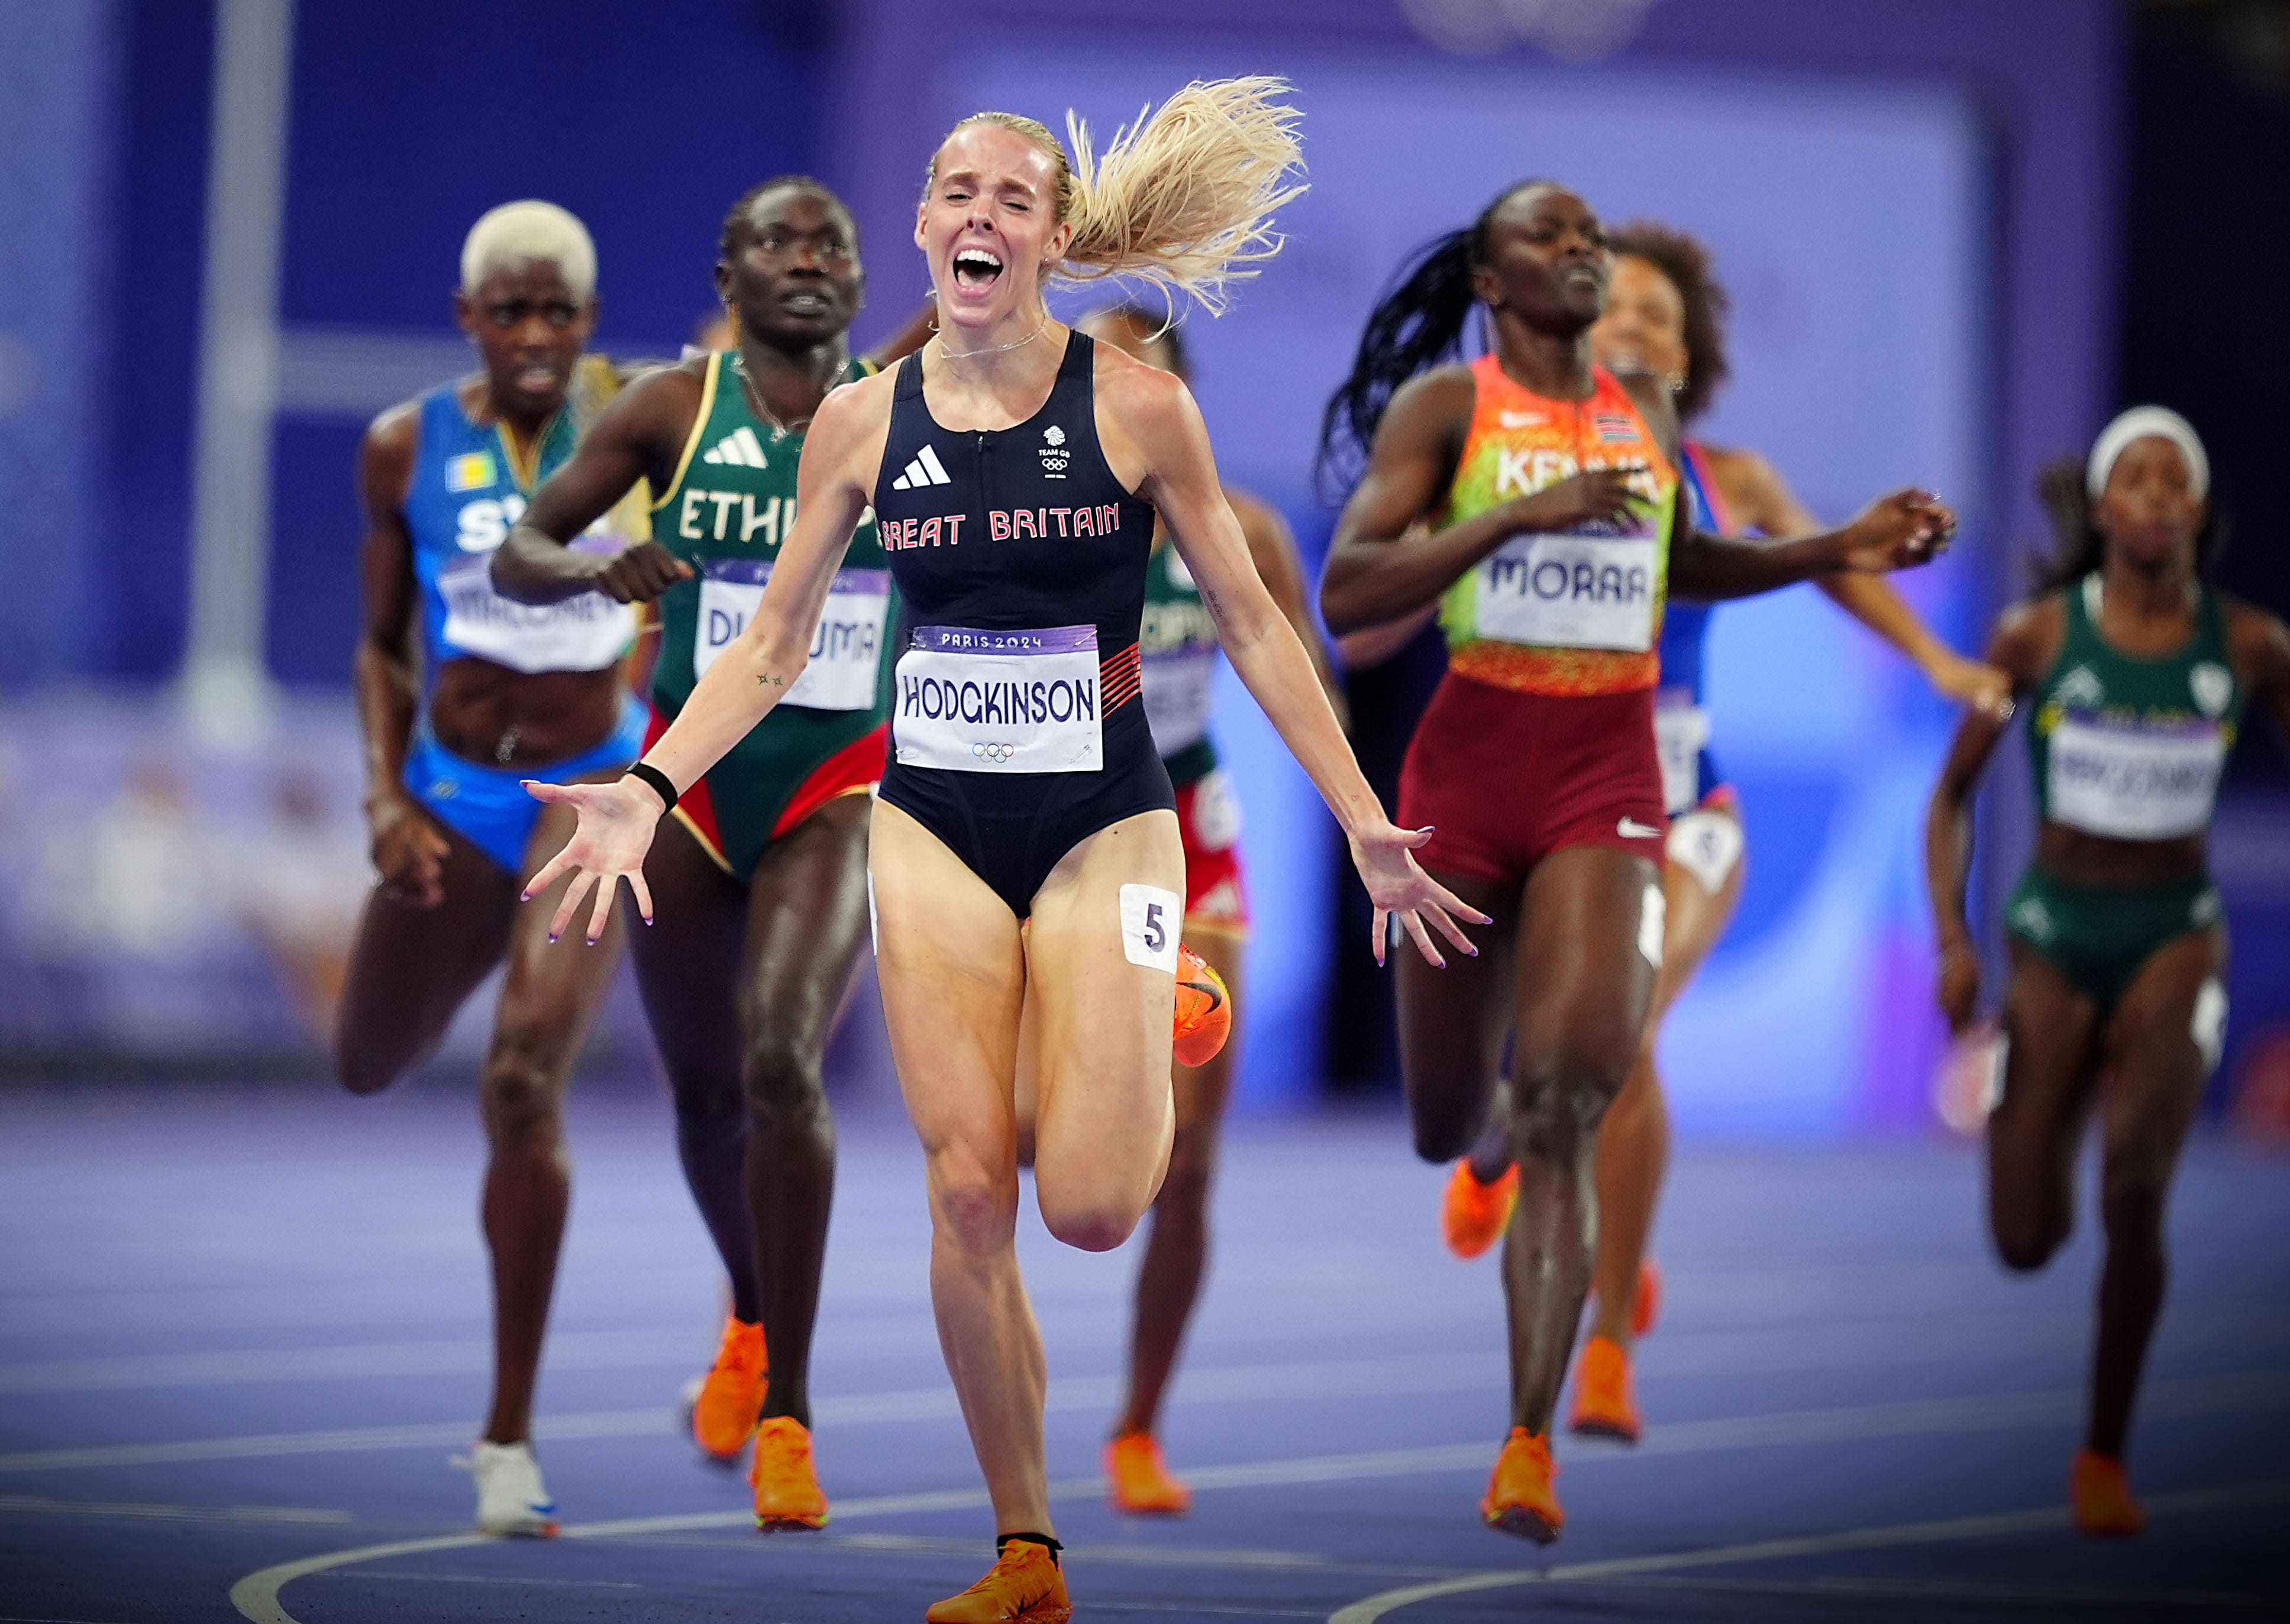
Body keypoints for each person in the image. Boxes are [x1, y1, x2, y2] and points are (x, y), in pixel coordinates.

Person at [523, 80, 1481, 1623]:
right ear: (923, 227)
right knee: (969, 1197)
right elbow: (769, 646)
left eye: (1011, 199)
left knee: (1092, 1204)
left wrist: (1364, 819)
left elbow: (1252, 625)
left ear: (1049, 239)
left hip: (1108, 812)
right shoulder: (861, 419)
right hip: (934, 819)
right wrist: (648, 779)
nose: (978, 216)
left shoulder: (1135, 404)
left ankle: (1157, 1025)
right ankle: (1026, 1550)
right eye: (953, 193)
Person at [1317, 179, 1954, 1545]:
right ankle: (1467, 1142)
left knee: (1564, 1098)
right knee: (1453, 1116)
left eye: (1591, 239)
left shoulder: (1644, 418)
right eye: (1551, 239)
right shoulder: (1449, 413)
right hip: (1466, 773)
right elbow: (1349, 590)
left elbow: (1688, 563)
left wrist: (1830, 548)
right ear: (1491, 282)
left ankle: (1526, 1439)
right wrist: (1507, 522)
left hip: (1609, 779)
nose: (1582, 254)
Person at [1430, 222, 2014, 1444]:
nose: (1637, 328)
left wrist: (1933, 655)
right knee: (1557, 1040)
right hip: (1550, 804)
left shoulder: (1725, 475)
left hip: (1686, 811)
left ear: (1688, 361)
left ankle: (1603, 1351)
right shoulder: (1521, 451)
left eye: (1662, 320)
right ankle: (1509, 1147)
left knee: (1623, 1030)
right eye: (1618, 311)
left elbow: (1831, 566)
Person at [491, 176, 906, 1532]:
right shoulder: (672, 408)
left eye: (830, 245)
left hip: (840, 775)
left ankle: (788, 1406)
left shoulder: (910, 405)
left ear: (857, 281)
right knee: (708, 1098)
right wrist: (595, 570)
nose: (806, 259)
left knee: (785, 1056)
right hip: (685, 782)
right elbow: (523, 546)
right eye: (776, 241)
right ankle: (747, 1309)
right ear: (729, 277)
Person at [1927, 407, 2290, 1535]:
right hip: (2051, 932)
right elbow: (1951, 799)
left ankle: (2104, 1457)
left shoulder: (2254, 644)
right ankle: (2061, 1094)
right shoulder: (2034, 637)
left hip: (2176, 931)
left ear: (2201, 511)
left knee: (2138, 1190)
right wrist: (1953, 938)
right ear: (2107, 506)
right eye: (2138, 475)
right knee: (2027, 1240)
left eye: (2179, 479)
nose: (2160, 494)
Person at [335, 200, 647, 1537]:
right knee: (367, 1056)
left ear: (586, 322)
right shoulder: (403, 446)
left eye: (556, 313)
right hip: (453, 791)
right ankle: (449, 939)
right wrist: (382, 792)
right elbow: (378, 643)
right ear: (468, 318)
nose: (531, 337)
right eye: (506, 312)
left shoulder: (644, 426)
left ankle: (508, 1436)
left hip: (586, 799)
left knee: (524, 1080)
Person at [1068, 302, 1346, 1515]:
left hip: (1187, 820)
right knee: (1028, 1138)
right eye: (1088, 367)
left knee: (1187, 1156)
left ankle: (1136, 1424)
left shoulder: (1243, 531)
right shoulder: (1030, 517)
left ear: (1177, 396)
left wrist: (1370, 821)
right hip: (1058, 820)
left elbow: (1308, 692)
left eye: (1136, 366)